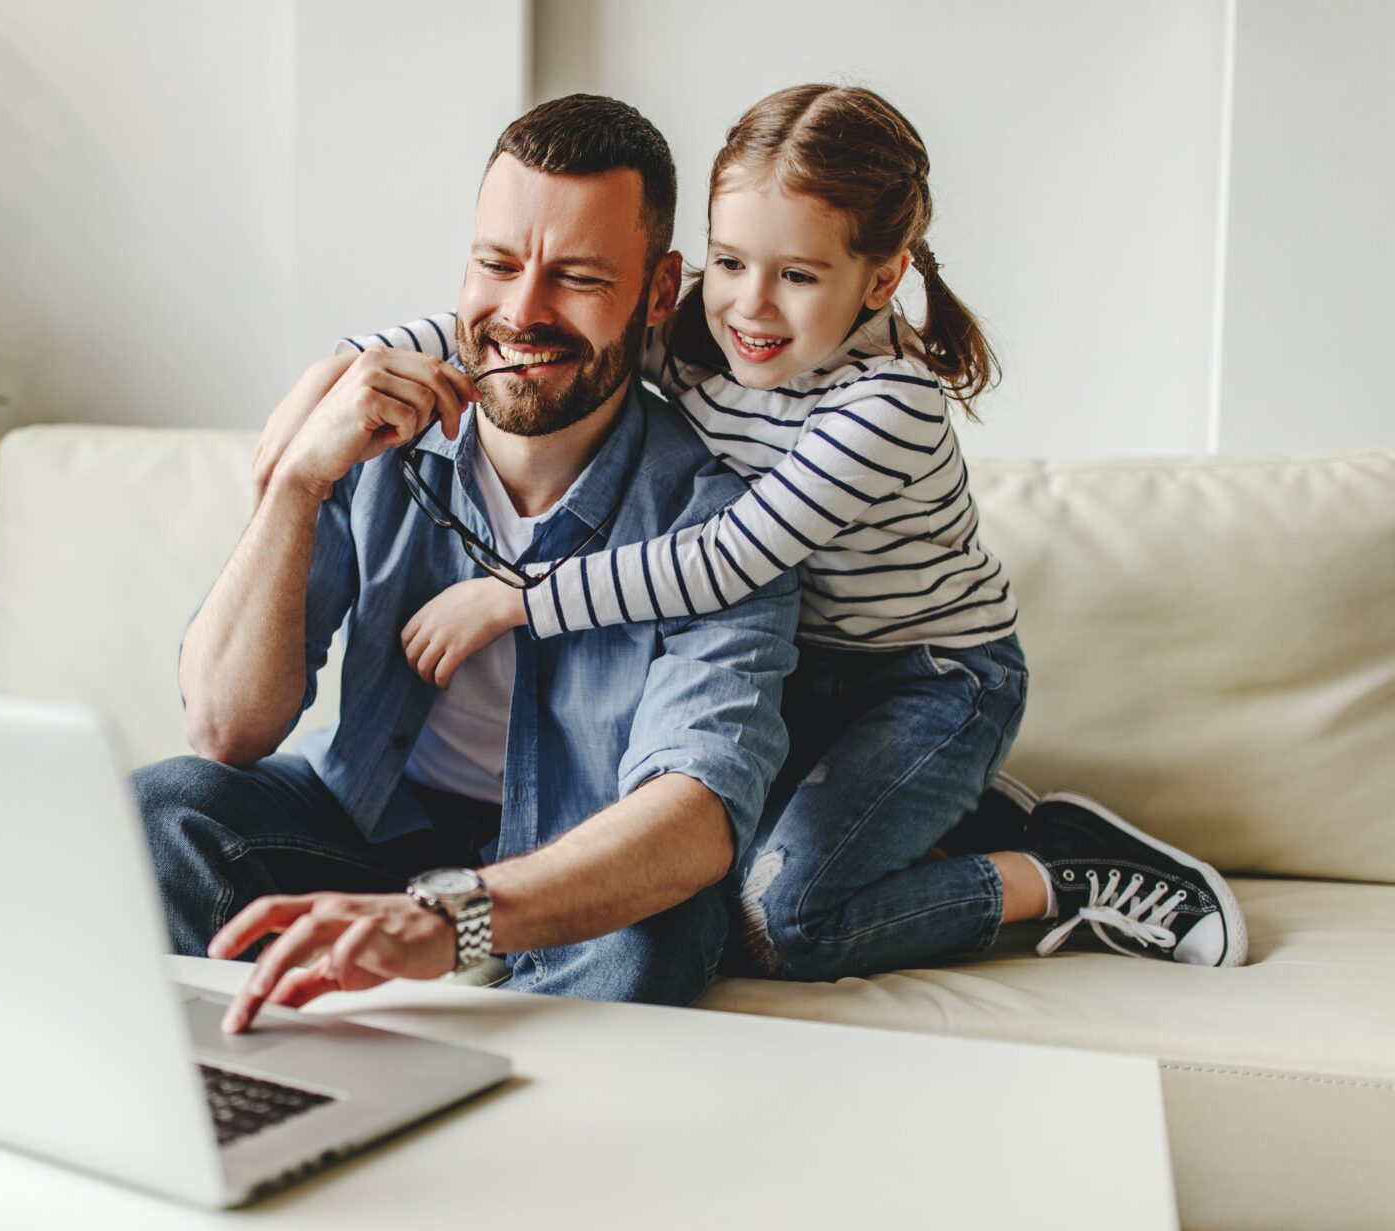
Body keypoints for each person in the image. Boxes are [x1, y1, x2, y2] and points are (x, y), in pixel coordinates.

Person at [262, 85, 1247, 975]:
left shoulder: (888, 401)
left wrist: (518, 599)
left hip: (928, 680)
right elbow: (523, 326)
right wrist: (335, 380)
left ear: (881, 276)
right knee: (670, 871)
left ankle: (1058, 874)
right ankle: (938, 812)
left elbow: (729, 559)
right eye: (729, 263)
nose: (750, 308)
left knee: (780, 921)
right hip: (805, 665)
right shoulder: (702, 332)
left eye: (799, 276)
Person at [144, 94, 802, 1035]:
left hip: (580, 862)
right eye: (497, 265)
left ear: (660, 293)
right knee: (167, 807)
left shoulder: (728, 521)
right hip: (376, 821)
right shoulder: (375, 436)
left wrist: (456, 916)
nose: (522, 313)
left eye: (576, 278)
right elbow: (225, 727)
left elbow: (693, 813)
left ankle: (489, 1130)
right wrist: (295, 484)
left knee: (657, 928)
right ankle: (256, 1090)